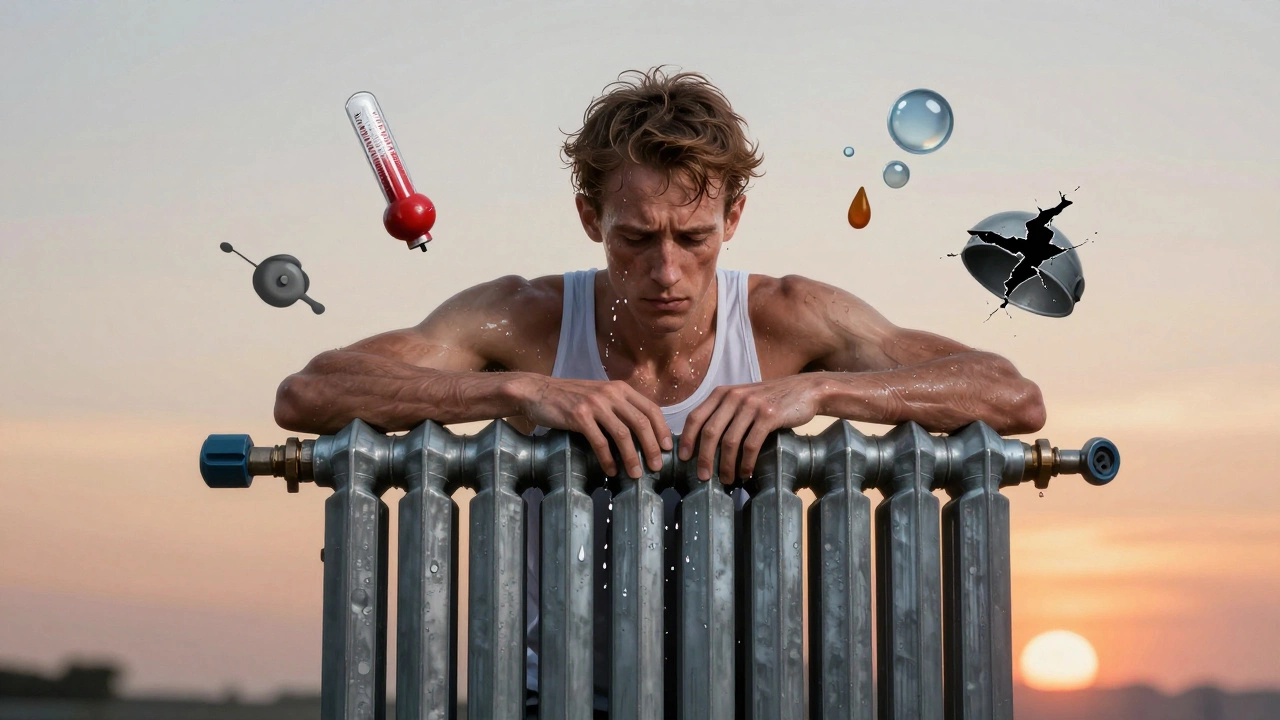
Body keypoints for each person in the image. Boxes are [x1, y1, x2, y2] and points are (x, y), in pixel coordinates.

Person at [273, 66, 1046, 717]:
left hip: (744, 695)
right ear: (590, 219)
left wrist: (821, 392)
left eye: (693, 238)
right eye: (636, 239)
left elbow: (1011, 397)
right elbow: (310, 394)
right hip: (554, 695)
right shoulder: (526, 318)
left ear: (733, 217)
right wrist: (523, 388)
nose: (667, 271)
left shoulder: (787, 317)